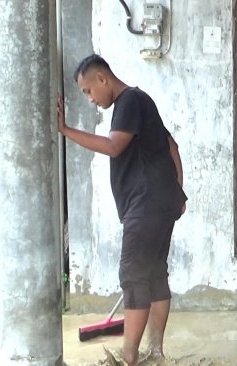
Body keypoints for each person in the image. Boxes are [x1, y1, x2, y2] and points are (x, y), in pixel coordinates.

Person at [57, 54, 187, 364]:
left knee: (133, 277)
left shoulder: (129, 101)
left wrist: (65, 130)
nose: (90, 99)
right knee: (155, 276)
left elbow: (114, 146)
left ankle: (129, 358)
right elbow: (173, 147)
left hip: (144, 205)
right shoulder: (142, 100)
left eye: (88, 91)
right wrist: (177, 193)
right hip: (160, 202)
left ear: (102, 78)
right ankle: (155, 352)